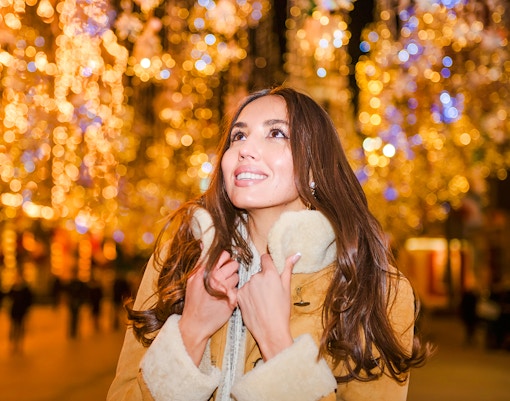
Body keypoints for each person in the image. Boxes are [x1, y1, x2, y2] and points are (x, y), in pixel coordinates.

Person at [108, 86, 430, 401]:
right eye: (239, 135)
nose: (245, 148)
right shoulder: (180, 256)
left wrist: (277, 343)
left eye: (276, 133)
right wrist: (191, 331)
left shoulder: (372, 286)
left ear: (316, 166)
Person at [7, 272, 33, 353]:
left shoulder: (26, 289)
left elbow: (29, 301)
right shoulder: (12, 288)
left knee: (21, 328)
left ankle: (20, 344)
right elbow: (8, 299)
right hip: (14, 311)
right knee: (13, 328)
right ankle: (13, 344)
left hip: (22, 311)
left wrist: (28, 310)